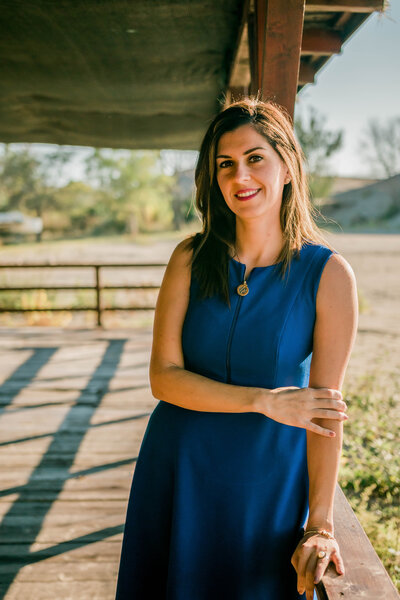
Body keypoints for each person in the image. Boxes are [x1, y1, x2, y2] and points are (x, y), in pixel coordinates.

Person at [115, 97, 358, 600]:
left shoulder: (329, 275)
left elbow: (326, 410)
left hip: (267, 483)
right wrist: (264, 400)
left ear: (287, 166)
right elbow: (163, 376)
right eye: (225, 164)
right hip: (178, 471)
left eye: (255, 158)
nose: (239, 176)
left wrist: (320, 524)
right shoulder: (189, 257)